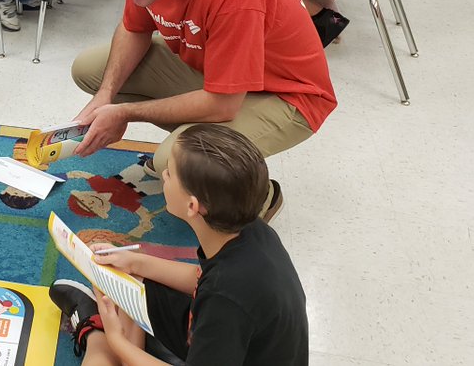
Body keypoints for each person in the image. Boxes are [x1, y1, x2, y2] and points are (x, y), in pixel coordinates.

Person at [70, 0, 336, 218]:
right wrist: (106, 96)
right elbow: (134, 28)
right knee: (89, 69)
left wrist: (125, 113)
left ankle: (256, 191)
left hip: (289, 98)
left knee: (175, 160)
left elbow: (223, 104)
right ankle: (202, 143)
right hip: (220, 75)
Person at [49, 125, 307, 365]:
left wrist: (117, 341)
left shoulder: (225, 299)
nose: (163, 174)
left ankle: (99, 339)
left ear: (192, 206)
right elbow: (202, 279)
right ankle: (116, 333)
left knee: (111, 342)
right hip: (224, 339)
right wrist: (135, 263)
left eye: (169, 173)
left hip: (224, 340)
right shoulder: (248, 230)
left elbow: (219, 292)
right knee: (130, 283)